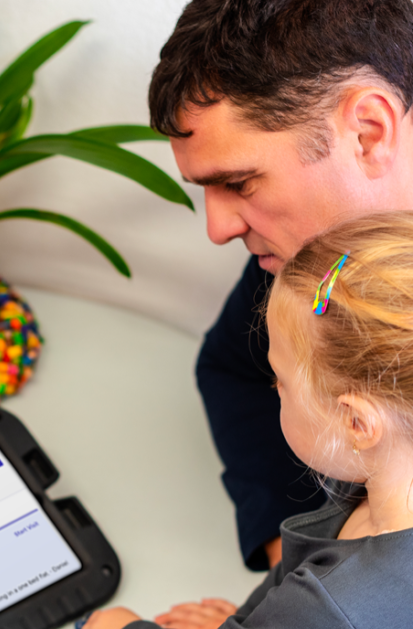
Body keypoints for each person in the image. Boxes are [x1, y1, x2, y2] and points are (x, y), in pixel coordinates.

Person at [81, 212, 413, 629]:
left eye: (279, 382)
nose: (273, 390)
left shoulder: (346, 607)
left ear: (356, 422)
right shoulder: (373, 512)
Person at [147, 0, 413, 586]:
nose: (218, 230)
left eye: (239, 183)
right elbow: (231, 369)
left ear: (368, 134)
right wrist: (295, 574)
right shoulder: (313, 260)